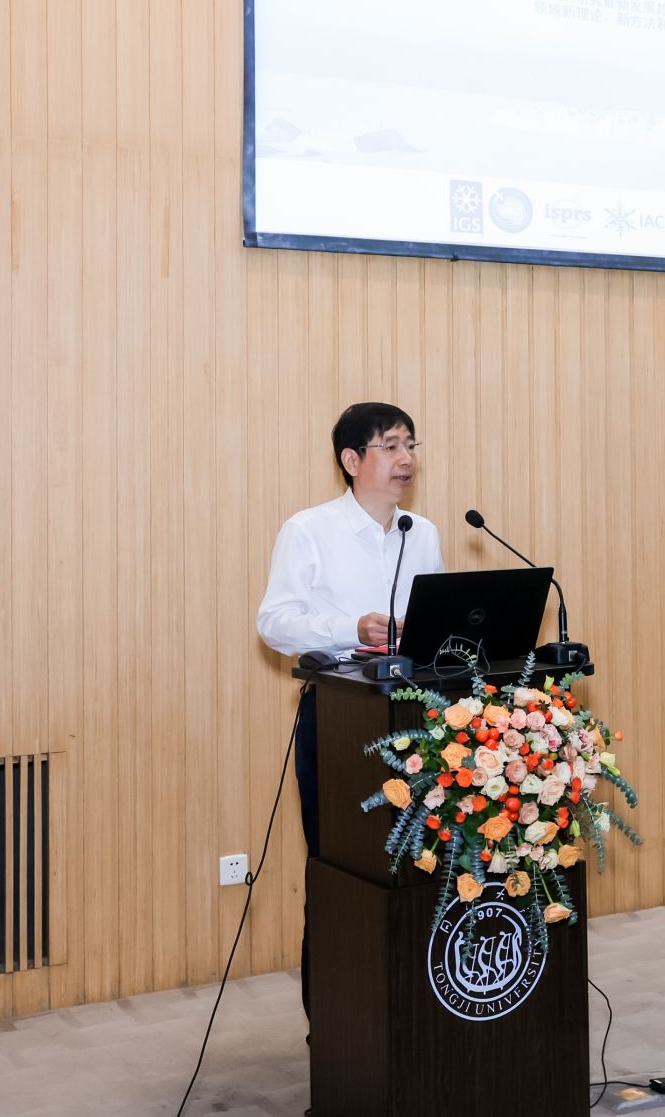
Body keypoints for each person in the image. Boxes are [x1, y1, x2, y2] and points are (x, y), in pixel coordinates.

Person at [255, 401, 444, 1021]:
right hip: (340, 723)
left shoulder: (422, 533)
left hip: (419, 724)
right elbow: (274, 623)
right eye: (391, 445)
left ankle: (416, 1010)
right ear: (352, 459)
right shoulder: (309, 530)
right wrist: (350, 629)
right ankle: (335, 1026)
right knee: (344, 872)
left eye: (410, 444)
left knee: (423, 869)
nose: (406, 458)